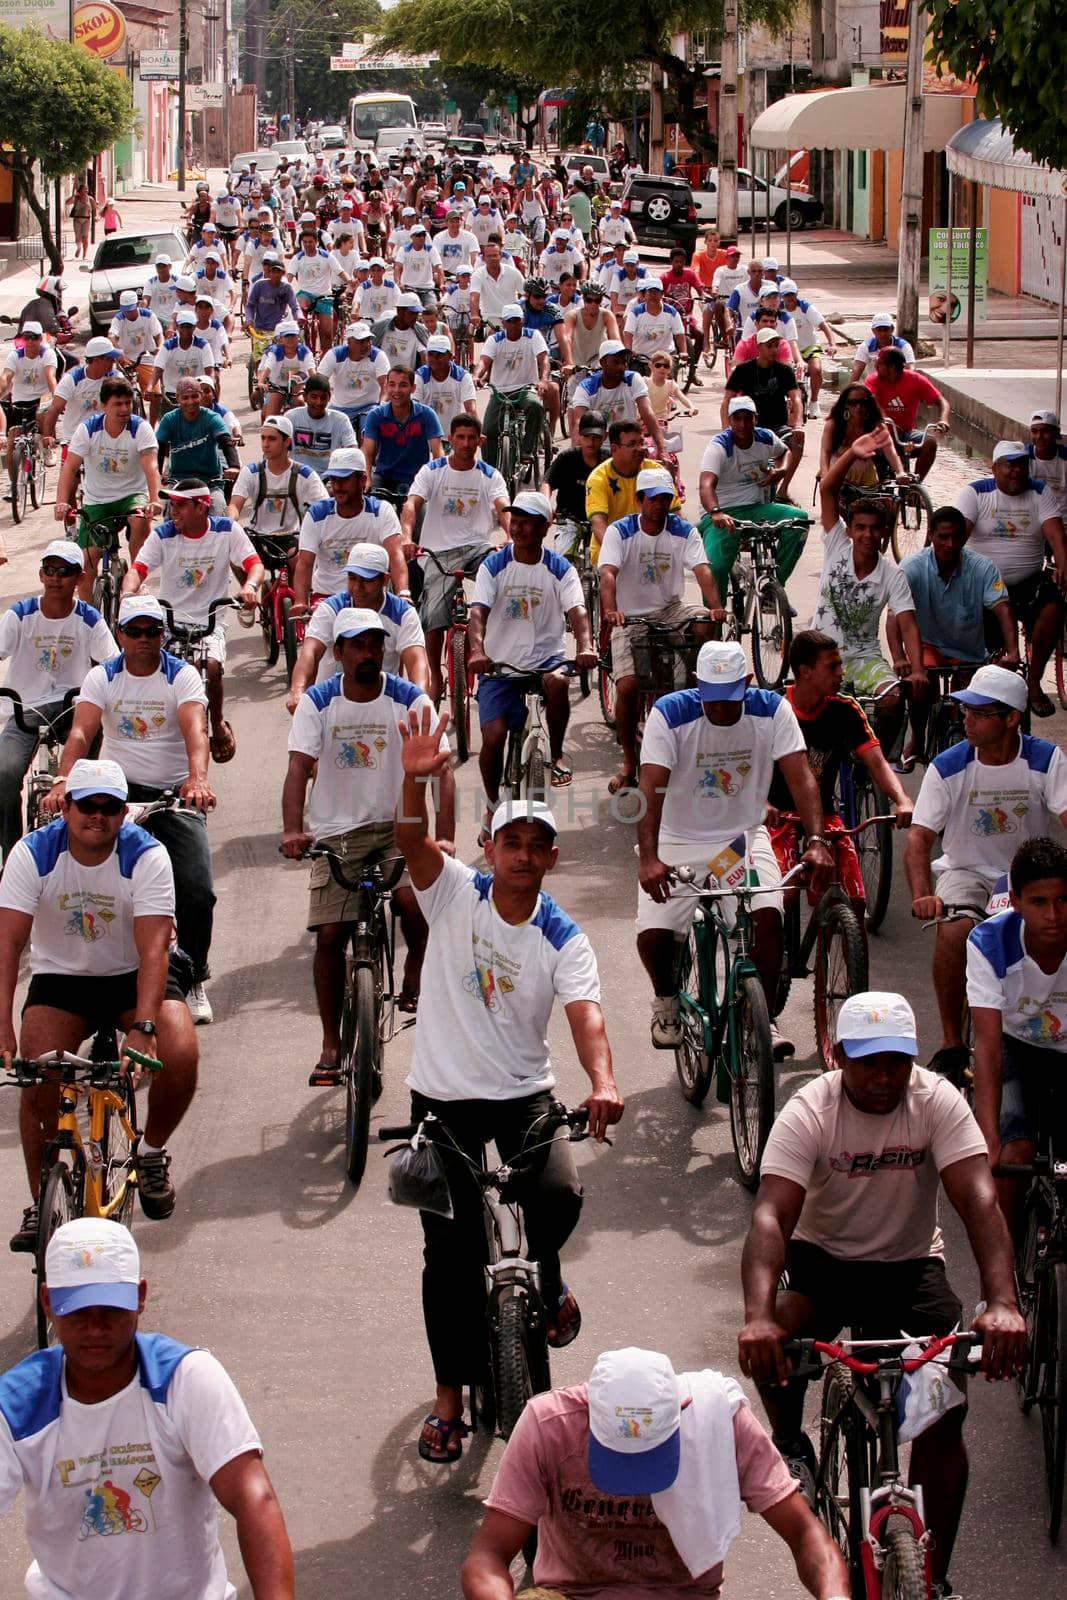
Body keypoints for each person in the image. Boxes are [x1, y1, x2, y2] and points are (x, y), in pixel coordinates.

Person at [737, 990, 1026, 1598]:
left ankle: (933, 1577)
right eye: (868, 1062)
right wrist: (758, 1316)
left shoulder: (935, 1101)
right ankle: (791, 1442)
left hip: (909, 1266)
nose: (884, 1076)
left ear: (913, 1059)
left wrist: (1002, 1301)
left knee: (945, 1413)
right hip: (823, 1263)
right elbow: (770, 1216)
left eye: (896, 1061)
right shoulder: (809, 1110)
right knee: (782, 1325)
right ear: (838, 1056)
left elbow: (977, 1198)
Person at [393, 714, 624, 1464]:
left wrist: (603, 1081)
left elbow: (585, 1016)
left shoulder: (563, 936)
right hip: (442, 1100)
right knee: (449, 1256)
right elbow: (409, 843)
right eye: (509, 842)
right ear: (489, 850)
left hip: (523, 1094)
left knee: (555, 1195)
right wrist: (414, 778)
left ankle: (549, 1280)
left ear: (551, 857)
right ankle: (448, 1399)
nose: (522, 856)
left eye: (536, 845)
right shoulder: (454, 893)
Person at [0, 1216, 295, 1597]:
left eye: (111, 1310)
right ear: (47, 1302)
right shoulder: (15, 1406)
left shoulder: (185, 1379)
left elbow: (254, 1498)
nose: (95, 1328)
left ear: (140, 1297)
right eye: (77, 1312)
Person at [461, 1344, 849, 1600]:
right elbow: (488, 1556)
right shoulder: (549, 1424)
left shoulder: (719, 1421)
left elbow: (804, 1532)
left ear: (681, 1414)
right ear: (589, 1413)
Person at [1, 756, 200, 1245]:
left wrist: (146, 1027)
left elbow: (155, 948)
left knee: (179, 1053)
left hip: (134, 973)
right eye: (86, 805)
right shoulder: (32, 855)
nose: (98, 816)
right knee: (39, 1076)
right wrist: (2, 1024)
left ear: (123, 812)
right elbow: (7, 943)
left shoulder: (147, 855)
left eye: (110, 807)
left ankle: (151, 1153)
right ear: (65, 808)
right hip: (62, 978)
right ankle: (39, 1203)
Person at [635, 639, 831, 1055]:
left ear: (748, 682)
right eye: (712, 697)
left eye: (730, 697)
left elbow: (801, 776)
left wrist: (816, 841)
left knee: (767, 917)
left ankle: (756, 1017)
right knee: (655, 933)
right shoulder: (670, 714)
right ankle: (667, 998)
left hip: (738, 842)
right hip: (677, 840)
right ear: (697, 683)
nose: (721, 708)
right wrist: (650, 858)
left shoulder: (771, 710)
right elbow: (650, 788)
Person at [282, 607, 452, 1061]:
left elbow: (442, 773)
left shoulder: (411, 700)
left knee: (412, 904)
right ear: (338, 652)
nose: (368, 652)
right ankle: (331, 1041)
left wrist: (447, 838)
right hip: (338, 834)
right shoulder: (318, 703)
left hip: (401, 828)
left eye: (375, 643)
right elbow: (299, 767)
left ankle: (414, 966)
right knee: (331, 934)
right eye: (357, 644)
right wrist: (293, 830)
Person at [46, 595, 218, 1025]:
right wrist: (65, 777)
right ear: (120, 634)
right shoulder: (102, 677)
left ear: (164, 634)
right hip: (114, 799)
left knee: (197, 888)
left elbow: (196, 728)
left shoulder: (182, 676)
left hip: (172, 796)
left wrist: (197, 778)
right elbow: (82, 732)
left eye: (152, 631)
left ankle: (193, 976)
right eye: (134, 631)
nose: (143, 640)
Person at [905, 662, 1067, 1083]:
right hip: (968, 873)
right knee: (955, 932)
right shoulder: (949, 765)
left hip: (1027, 874)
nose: (967, 720)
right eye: (965, 711)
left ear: (1012, 718)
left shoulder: (1046, 760)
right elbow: (919, 838)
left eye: (979, 713)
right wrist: (925, 893)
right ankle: (951, 1040)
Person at [767, 630, 913, 920]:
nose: (840, 673)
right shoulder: (773, 709)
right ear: (806, 672)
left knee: (853, 899)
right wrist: (759, 804)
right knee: (782, 894)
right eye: (832, 666)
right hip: (775, 815)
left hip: (823, 815)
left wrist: (901, 798)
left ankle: (841, 957)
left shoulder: (844, 709)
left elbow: (877, 761)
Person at [468, 490, 596, 820]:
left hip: (546, 659)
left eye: (527, 523)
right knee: (494, 736)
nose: (517, 528)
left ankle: (555, 756)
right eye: (515, 522)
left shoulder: (560, 568)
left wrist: (585, 646)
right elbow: (478, 613)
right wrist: (478, 651)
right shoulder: (494, 565)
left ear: (545, 528)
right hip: (499, 665)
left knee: (557, 681)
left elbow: (578, 611)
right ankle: (492, 803)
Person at [598, 470, 724, 800]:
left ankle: (691, 686)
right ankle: (628, 762)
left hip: (670, 610)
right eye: (653, 499)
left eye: (665, 499)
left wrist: (716, 607)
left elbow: (702, 570)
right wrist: (612, 611)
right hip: (630, 616)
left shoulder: (682, 530)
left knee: (702, 623)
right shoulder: (620, 532)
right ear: (640, 500)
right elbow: (608, 574)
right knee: (627, 686)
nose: (660, 505)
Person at [967, 835, 1067, 1228]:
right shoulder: (989, 943)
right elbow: (988, 1047)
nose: (1054, 915)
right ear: (1017, 901)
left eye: (1062, 900)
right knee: (1014, 1155)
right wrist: (988, 1135)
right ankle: (1001, 1276)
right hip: (1014, 1046)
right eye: (1039, 903)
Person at [0, 541, 115, 860]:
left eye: (63, 572)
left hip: (73, 707)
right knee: (4, 774)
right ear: (40, 574)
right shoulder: (20, 615)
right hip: (25, 709)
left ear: (79, 578)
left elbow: (112, 666)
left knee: (84, 777)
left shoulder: (89, 619)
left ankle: (82, 834)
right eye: (49, 570)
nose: (55, 578)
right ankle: (11, 855)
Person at [812, 426, 924, 752]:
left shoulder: (893, 574)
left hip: (864, 659)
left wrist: (917, 670)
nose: (866, 535)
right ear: (850, 530)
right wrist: (851, 454)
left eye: (875, 529)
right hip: (821, 657)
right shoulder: (836, 545)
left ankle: (876, 766)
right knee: (817, 745)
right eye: (860, 527)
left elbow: (908, 623)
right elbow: (829, 490)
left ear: (884, 533)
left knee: (892, 699)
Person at [888, 505, 1017, 767]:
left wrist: (1013, 651)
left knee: (976, 700)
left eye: (956, 537)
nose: (950, 543)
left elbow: (1003, 609)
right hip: (927, 645)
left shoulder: (983, 568)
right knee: (919, 684)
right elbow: (894, 617)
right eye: (943, 536)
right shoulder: (911, 567)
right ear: (931, 535)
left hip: (968, 649)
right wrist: (900, 658)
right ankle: (919, 740)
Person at [401, 413, 511, 705]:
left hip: (477, 548)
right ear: (449, 439)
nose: (464, 443)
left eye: (470, 438)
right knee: (434, 619)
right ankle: (433, 675)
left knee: (501, 588)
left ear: (480, 440)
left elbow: (503, 507)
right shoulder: (432, 471)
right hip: (438, 553)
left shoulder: (489, 475)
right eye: (459, 437)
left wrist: (511, 537)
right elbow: (412, 504)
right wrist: (407, 536)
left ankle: (497, 651)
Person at [954, 440, 1067, 719]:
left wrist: (1064, 566)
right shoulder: (975, 493)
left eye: (1020, 464)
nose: (1015, 471)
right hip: (984, 584)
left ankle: (1034, 681)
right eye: (1008, 465)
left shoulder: (1040, 493)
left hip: (1027, 582)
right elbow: (954, 538)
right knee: (988, 650)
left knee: (1055, 605)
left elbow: (1056, 537)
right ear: (993, 468)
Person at [53, 376, 160, 601]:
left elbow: (151, 466)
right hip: (97, 500)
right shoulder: (88, 430)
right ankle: (87, 614)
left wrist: (154, 500)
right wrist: (62, 501)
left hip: (132, 494)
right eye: (117, 404)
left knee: (141, 520)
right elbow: (70, 466)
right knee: (88, 560)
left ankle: (136, 582)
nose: (124, 409)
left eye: (128, 403)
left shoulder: (140, 428)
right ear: (103, 406)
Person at [698, 395, 810, 609]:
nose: (742, 424)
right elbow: (706, 485)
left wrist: (782, 470)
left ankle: (773, 588)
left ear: (755, 419)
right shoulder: (720, 446)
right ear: (730, 421)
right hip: (723, 514)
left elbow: (784, 451)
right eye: (737, 418)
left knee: (800, 521)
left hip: (758, 509)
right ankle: (713, 625)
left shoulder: (765, 438)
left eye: (747, 418)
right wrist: (715, 511)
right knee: (716, 568)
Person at [287, 541, 429, 709]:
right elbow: (309, 653)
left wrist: (420, 701)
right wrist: (297, 690)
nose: (357, 587)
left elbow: (416, 662)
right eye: (352, 578)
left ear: (384, 579)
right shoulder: (331, 608)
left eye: (366, 580)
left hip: (382, 706)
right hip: (332, 705)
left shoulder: (403, 614)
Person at [295, 446, 407, 608]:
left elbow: (396, 555)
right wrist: (300, 601)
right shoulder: (316, 514)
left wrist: (403, 592)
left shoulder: (381, 511)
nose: (338, 486)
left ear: (362, 480)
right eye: (333, 480)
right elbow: (305, 562)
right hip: (326, 599)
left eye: (344, 479)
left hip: (371, 598)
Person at [722, 329, 804, 500]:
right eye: (769, 346)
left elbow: (796, 399)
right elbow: (727, 400)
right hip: (750, 426)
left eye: (776, 346)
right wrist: (726, 429)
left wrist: (798, 425)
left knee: (797, 441)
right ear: (759, 347)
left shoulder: (784, 371)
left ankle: (783, 489)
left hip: (779, 426)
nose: (774, 350)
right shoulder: (743, 370)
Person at [475, 303, 549, 471]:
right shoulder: (495, 340)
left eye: (517, 321)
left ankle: (527, 449)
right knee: (488, 431)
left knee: (536, 406)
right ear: (503, 322)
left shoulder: (533, 336)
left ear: (522, 321)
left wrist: (543, 380)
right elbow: (484, 361)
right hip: (500, 391)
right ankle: (490, 471)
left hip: (525, 387)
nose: (514, 325)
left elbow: (543, 359)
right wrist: (476, 376)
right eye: (510, 321)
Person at [227, 415, 325, 540]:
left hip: (290, 539)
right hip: (256, 538)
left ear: (287, 442)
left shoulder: (305, 474)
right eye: (263, 438)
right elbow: (234, 505)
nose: (265, 444)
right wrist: (231, 521)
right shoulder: (251, 472)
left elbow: (323, 507)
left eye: (272, 439)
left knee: (298, 559)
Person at [155, 376, 240, 514]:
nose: (190, 402)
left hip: (210, 482)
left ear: (200, 396)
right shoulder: (169, 419)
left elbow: (225, 442)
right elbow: (159, 447)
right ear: (178, 398)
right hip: (178, 481)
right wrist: (158, 474)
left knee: (218, 513)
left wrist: (234, 466)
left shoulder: (212, 418)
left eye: (194, 396)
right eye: (185, 397)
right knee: (170, 516)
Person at [864, 346, 950, 479]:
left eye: (880, 363)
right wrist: (880, 417)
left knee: (930, 442)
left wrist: (943, 420)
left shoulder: (915, 379)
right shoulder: (873, 380)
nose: (875, 365)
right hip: (879, 435)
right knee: (878, 478)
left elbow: (941, 401)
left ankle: (916, 487)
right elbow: (871, 400)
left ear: (892, 367)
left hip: (906, 435)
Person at [360, 366, 445, 500]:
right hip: (384, 477)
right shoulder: (376, 415)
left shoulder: (427, 414)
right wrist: (367, 477)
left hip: (417, 478)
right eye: (392, 385)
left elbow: (438, 452)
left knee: (419, 517)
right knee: (370, 510)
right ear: (386, 386)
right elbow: (367, 452)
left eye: (403, 385)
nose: (397, 390)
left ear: (413, 388)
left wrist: (437, 479)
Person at [566, 338, 664, 451]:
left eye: (624, 362)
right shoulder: (586, 388)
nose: (621, 367)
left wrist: (662, 449)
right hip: (599, 450)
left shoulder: (633, 379)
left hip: (629, 448)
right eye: (616, 362)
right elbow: (579, 424)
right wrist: (576, 459)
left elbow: (647, 413)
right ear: (602, 363)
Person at [543, 409, 608, 560]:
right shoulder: (567, 458)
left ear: (605, 436)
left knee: (608, 563)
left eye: (596, 437)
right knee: (561, 561)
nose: (591, 442)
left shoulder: (609, 461)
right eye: (586, 436)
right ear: (579, 434)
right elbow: (547, 483)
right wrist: (545, 505)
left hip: (602, 519)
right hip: (569, 519)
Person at [0, 320, 58, 486]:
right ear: (23, 339)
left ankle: (46, 447)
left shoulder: (47, 354)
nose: (31, 341)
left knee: (43, 413)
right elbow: (6, 377)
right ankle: (13, 486)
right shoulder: (15, 356)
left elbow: (50, 377)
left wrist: (57, 398)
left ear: (40, 339)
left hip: (42, 398)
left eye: (34, 337)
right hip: (20, 400)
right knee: (11, 444)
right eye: (27, 338)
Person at [40, 337, 121, 453]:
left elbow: (125, 406)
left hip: (104, 437)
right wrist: (48, 435)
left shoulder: (115, 377)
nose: (113, 362)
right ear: (97, 359)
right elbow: (55, 408)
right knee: (68, 470)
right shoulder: (72, 379)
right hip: (74, 438)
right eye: (109, 359)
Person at [819, 381, 902, 489]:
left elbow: (889, 449)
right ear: (845, 404)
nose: (858, 407)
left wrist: (900, 472)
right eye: (853, 402)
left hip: (866, 474)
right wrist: (825, 477)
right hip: (838, 471)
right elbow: (825, 452)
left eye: (863, 402)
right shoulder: (834, 424)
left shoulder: (875, 424)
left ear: (869, 403)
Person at [778, 279, 835, 419]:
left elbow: (824, 325)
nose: (789, 298)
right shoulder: (778, 310)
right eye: (786, 295)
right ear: (781, 296)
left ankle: (814, 401)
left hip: (809, 347)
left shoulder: (805, 307)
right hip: (789, 349)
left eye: (792, 294)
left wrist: (832, 344)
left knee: (816, 369)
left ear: (796, 293)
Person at [316, 321, 390, 428]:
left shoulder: (378, 356)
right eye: (361, 341)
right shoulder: (335, 355)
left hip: (369, 407)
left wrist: (382, 405)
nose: (366, 345)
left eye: (368, 340)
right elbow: (319, 381)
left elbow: (385, 385)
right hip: (340, 407)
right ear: (349, 342)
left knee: (369, 432)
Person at [148, 310, 216, 423]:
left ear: (194, 327)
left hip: (195, 395)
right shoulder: (168, 346)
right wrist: (150, 387)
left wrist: (210, 387)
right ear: (177, 327)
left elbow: (209, 371)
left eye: (189, 326)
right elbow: (158, 369)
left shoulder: (203, 345)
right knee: (166, 428)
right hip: (172, 395)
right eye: (182, 326)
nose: (185, 330)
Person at [286, 372, 358, 475]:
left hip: (329, 477)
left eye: (323, 397)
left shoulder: (341, 420)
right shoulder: (291, 417)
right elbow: (279, 446)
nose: (319, 402)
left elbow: (352, 450)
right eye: (314, 397)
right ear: (305, 397)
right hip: (297, 475)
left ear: (329, 397)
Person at [413, 334, 478, 432]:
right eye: (431, 355)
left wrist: (476, 431)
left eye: (440, 355)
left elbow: (471, 410)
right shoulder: (420, 377)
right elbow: (413, 408)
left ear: (450, 356)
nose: (435, 359)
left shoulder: (462, 377)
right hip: (425, 437)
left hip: (451, 437)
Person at [108, 291, 164, 397]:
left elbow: (159, 334)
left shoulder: (148, 315)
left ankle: (153, 414)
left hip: (145, 357)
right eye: (125, 311)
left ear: (137, 305)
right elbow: (111, 336)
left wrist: (159, 347)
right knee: (121, 394)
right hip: (126, 359)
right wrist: (120, 354)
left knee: (155, 394)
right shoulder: (118, 319)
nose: (128, 313)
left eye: (131, 310)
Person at [470, 237, 528, 328]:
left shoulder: (513, 272)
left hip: (513, 317)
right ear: (484, 258)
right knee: (492, 336)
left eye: (495, 255)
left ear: (500, 256)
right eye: (489, 256)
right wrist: (474, 315)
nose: (492, 258)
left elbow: (526, 293)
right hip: (491, 318)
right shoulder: (478, 275)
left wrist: (522, 305)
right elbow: (474, 297)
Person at [244, 254, 301, 338]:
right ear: (269, 273)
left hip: (280, 329)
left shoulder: (286, 288)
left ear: (283, 273)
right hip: (260, 329)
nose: (276, 275)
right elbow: (250, 305)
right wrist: (249, 319)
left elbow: (295, 307)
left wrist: (299, 316)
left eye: (279, 272)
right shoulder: (259, 285)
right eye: (273, 272)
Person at [849, 311, 916, 382]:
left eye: (886, 329)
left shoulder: (904, 346)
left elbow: (910, 371)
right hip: (875, 385)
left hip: (898, 384)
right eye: (879, 330)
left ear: (892, 329)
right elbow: (856, 371)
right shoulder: (866, 346)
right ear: (873, 330)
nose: (883, 333)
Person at [1026, 407, 1067, 515]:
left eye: (1045, 432)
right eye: (1034, 431)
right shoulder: (1023, 457)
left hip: (1062, 520)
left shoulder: (1065, 459)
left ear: (1057, 433)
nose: (1039, 437)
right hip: (1031, 519)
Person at [68, 181, 96, 259]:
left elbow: (94, 208)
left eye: (87, 189)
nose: (86, 191)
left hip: (86, 220)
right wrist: (73, 196)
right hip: (77, 220)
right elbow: (67, 203)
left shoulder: (90, 199)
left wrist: (95, 216)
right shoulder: (76, 198)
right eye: (84, 189)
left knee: (85, 238)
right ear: (80, 190)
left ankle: (84, 255)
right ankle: (79, 248)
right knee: (78, 239)